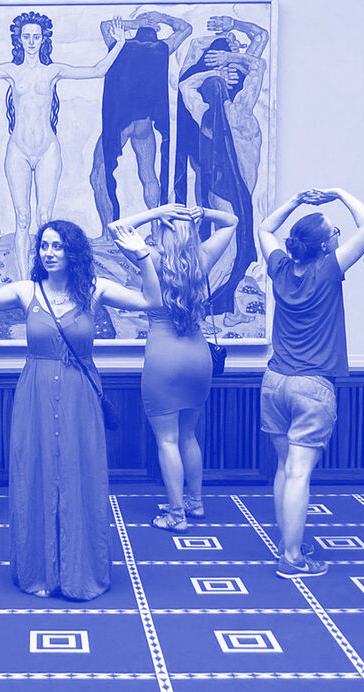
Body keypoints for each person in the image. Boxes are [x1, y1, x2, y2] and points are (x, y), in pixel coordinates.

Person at [0, 219, 162, 600]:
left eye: (58, 246)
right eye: (44, 246)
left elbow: (152, 302)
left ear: (73, 252)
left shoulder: (95, 290)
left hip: (79, 398)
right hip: (33, 396)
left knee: (79, 475)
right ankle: (39, 572)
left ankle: (78, 572)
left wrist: (142, 257)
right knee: (34, 475)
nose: (49, 253)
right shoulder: (27, 291)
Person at [0, 14, 129, 280]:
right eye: (26, 36)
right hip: (17, 150)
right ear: (19, 39)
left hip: (48, 150)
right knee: (22, 218)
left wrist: (119, 44)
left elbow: (97, 70)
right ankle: (25, 281)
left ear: (43, 40)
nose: (31, 41)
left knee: (44, 218)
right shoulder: (11, 71)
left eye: (36, 37)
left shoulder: (53, 71)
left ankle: (45, 279)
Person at [256, 188, 364, 578]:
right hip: (312, 388)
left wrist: (296, 201)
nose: (339, 236)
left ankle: (287, 543)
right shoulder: (327, 269)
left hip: (274, 382)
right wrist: (339, 194)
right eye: (335, 233)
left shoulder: (279, 268)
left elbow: (265, 228)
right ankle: (292, 558)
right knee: (299, 472)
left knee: (284, 467)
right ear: (325, 246)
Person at [108, 203, 238, 529]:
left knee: (167, 440)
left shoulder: (151, 259)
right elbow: (232, 221)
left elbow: (116, 228)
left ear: (162, 232)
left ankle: (176, 515)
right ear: (192, 233)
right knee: (188, 435)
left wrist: (157, 212)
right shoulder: (202, 259)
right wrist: (202, 212)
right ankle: (195, 502)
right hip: (198, 357)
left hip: (163, 357)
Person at [174, 18, 268, 317]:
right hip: (230, 185)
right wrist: (225, 62)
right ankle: (202, 299)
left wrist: (217, 67)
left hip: (225, 184)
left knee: (228, 243)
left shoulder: (207, 111)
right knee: (231, 246)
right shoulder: (238, 110)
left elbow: (187, 85)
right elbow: (258, 66)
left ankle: (222, 303)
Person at [87, 12, 191, 236]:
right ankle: (155, 231)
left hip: (120, 122)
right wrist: (162, 18)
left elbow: (105, 24)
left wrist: (136, 22)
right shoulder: (163, 48)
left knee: (98, 173)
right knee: (148, 174)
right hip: (144, 123)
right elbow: (186, 28)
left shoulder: (120, 45)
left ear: (137, 29)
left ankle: (107, 233)